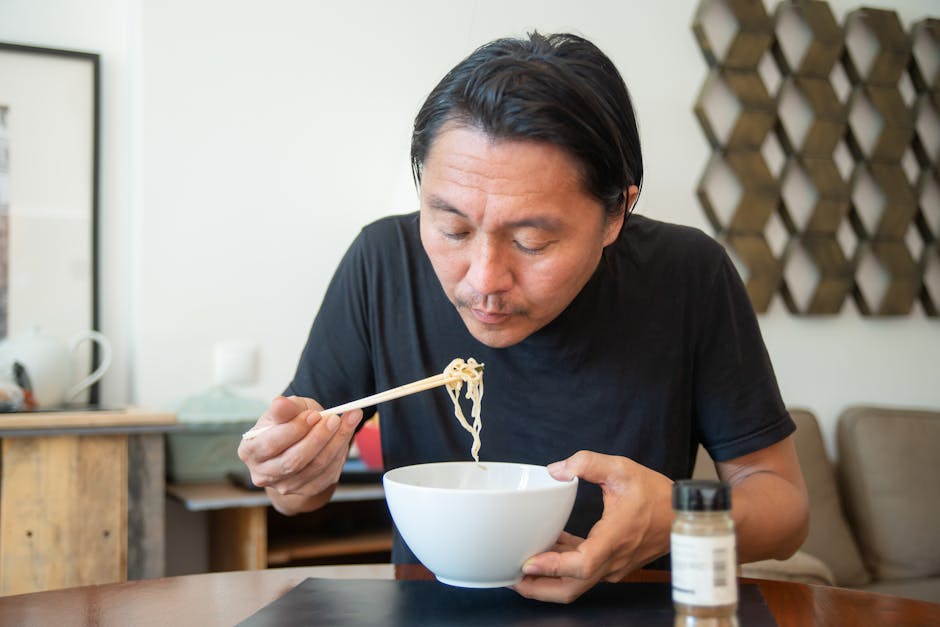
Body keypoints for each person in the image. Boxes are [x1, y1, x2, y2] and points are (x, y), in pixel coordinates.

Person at [238, 31, 809, 604]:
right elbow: (299, 495)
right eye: (453, 229)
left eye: (532, 241)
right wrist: (290, 469)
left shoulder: (689, 274)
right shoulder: (382, 263)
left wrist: (677, 518)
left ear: (617, 214)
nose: (484, 279)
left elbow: (784, 508)